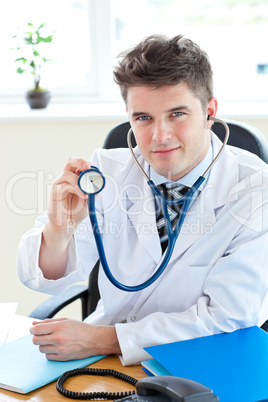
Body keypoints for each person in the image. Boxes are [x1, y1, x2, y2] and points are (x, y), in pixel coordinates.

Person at [17, 34, 268, 366]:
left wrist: (104, 339)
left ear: (209, 112)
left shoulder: (255, 190)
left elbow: (229, 316)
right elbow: (43, 279)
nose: (160, 136)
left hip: (203, 359)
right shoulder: (106, 174)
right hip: (103, 361)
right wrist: (59, 228)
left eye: (177, 114)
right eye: (143, 118)